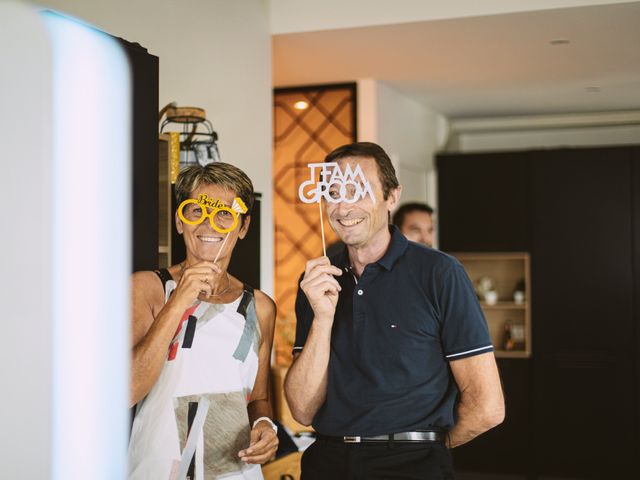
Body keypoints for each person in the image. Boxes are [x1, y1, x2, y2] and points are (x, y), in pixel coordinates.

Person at [284, 142, 504, 480]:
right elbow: (302, 409)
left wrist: (425, 451)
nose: (343, 206)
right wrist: (323, 319)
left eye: (357, 190)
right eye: (332, 192)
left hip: (411, 464)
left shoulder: (440, 273)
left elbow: (487, 407)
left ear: (392, 197)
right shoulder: (316, 279)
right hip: (325, 462)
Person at [128, 163, 278, 480]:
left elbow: (259, 398)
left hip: (234, 470)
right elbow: (126, 390)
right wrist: (180, 300)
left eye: (225, 213)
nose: (210, 223)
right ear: (180, 221)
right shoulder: (147, 288)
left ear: (243, 226)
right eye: (197, 211)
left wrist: (264, 425)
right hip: (157, 467)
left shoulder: (260, 306)